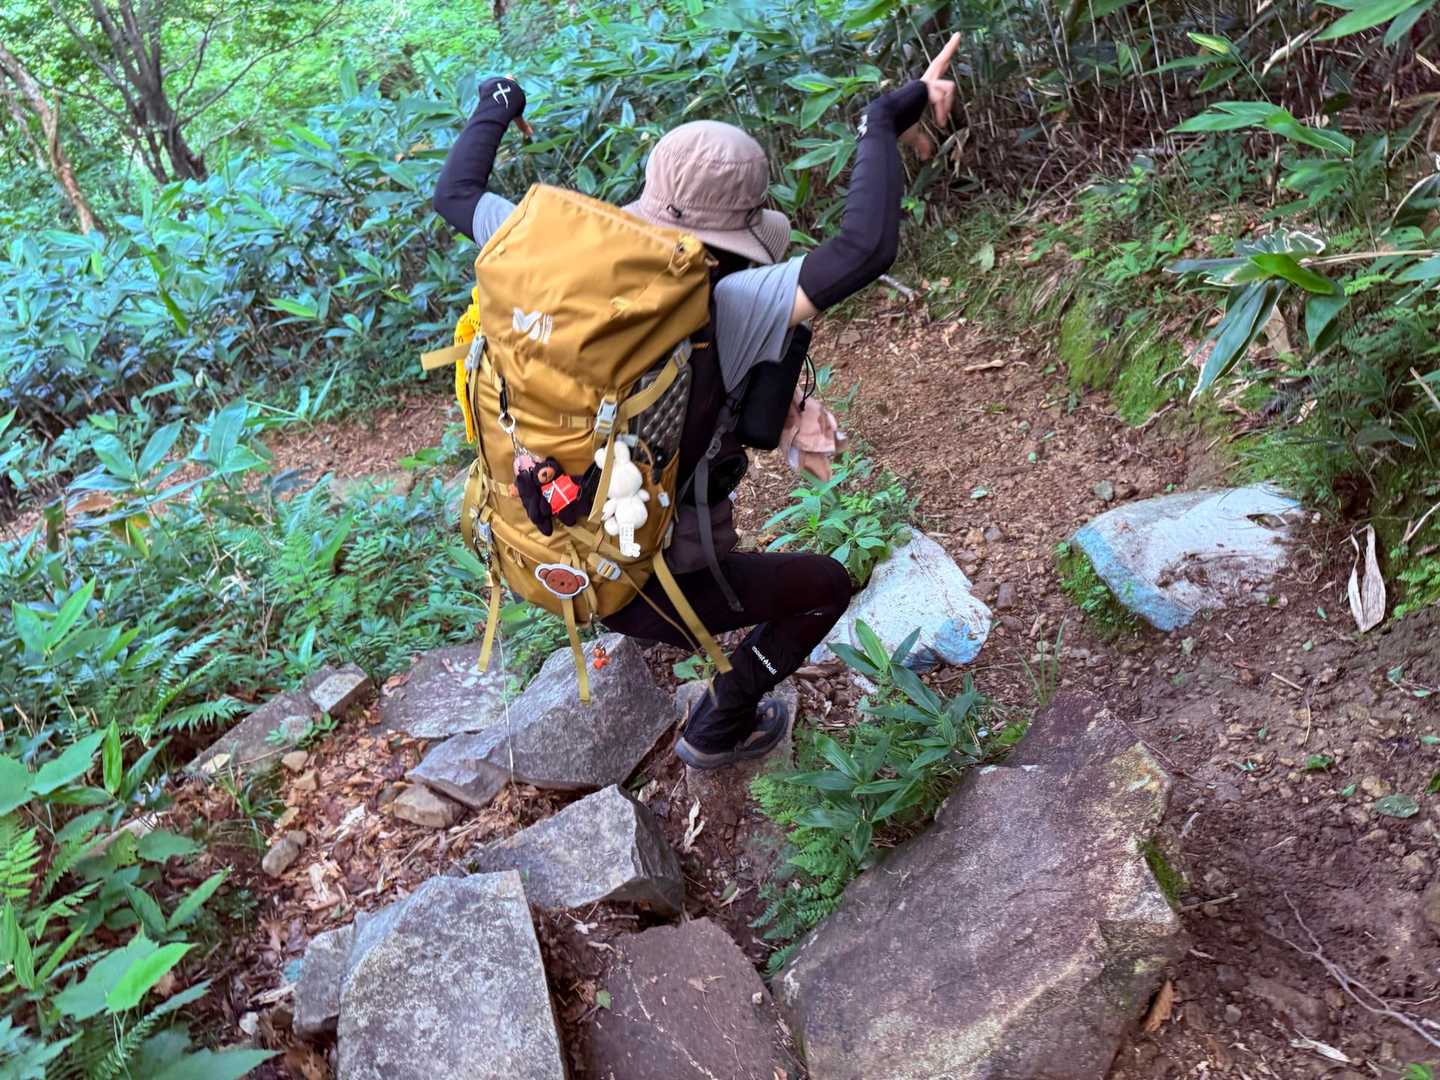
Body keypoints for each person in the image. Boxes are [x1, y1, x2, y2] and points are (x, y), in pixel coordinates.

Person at [433, 33, 961, 770]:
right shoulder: (732, 303)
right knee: (825, 589)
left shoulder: (547, 263)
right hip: (637, 582)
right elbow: (865, 248)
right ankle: (718, 726)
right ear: (743, 221)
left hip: (535, 540)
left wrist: (498, 102)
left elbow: (455, 193)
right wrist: (882, 120)